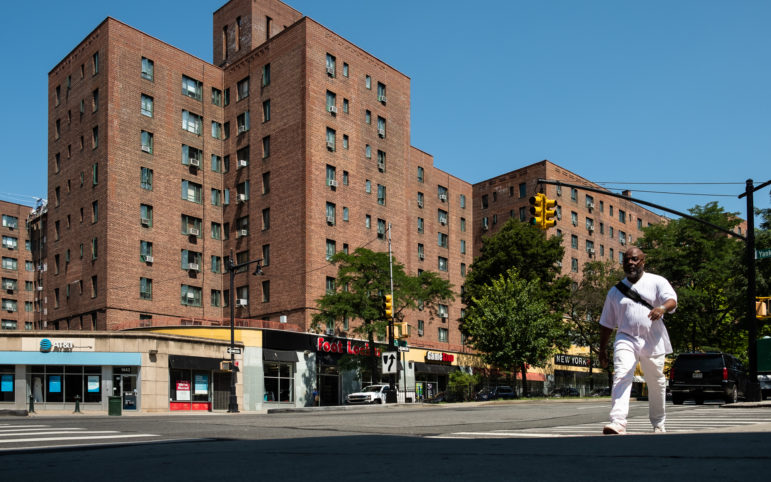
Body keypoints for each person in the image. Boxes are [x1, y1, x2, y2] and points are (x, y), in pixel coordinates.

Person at [599, 247, 677, 434]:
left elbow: (672, 300)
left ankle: (658, 423)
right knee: (622, 374)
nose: (630, 263)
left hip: (653, 339)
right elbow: (606, 324)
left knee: (656, 381)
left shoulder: (657, 281)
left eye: (634, 259)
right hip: (626, 338)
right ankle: (617, 422)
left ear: (643, 261)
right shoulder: (615, 291)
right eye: (626, 260)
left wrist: (662, 308)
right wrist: (602, 350)